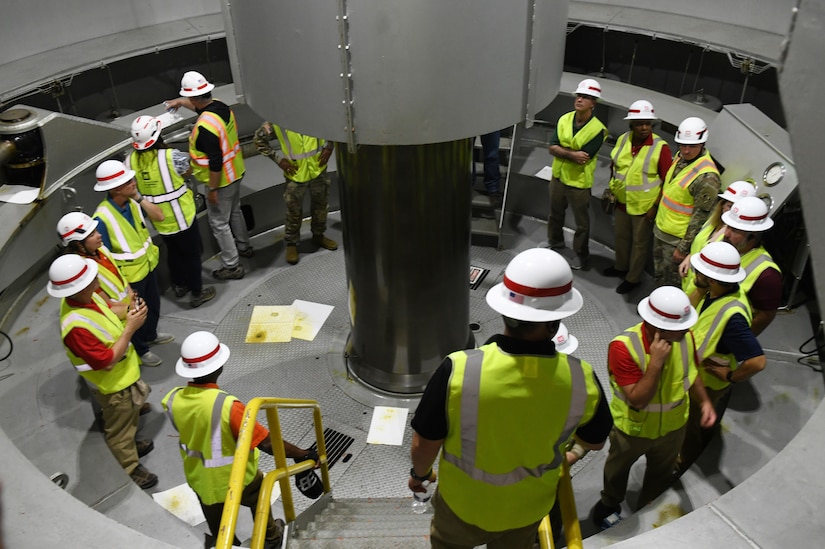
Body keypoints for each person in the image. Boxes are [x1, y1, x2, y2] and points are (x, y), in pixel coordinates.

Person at [409, 248, 612, 548]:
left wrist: (420, 475)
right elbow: (594, 441)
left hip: (462, 507)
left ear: (506, 311)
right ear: (556, 323)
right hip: (527, 511)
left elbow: (424, 443)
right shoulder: (582, 380)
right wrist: (566, 450)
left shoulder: (457, 369)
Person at [162, 331, 319, 548]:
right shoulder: (227, 405)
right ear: (218, 367)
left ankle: (227, 543)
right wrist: (304, 454)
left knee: (218, 523)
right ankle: (271, 539)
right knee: (261, 493)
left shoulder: (171, 399)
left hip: (199, 479)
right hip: (235, 478)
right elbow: (266, 443)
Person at [592, 286, 716, 528]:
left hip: (674, 426)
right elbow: (638, 399)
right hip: (634, 429)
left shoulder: (685, 338)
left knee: (661, 474)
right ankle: (608, 504)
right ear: (659, 328)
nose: (686, 331)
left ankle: (647, 508)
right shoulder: (623, 348)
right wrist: (656, 362)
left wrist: (706, 402)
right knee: (617, 470)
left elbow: (692, 374)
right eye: (679, 328)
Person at [47, 254, 158, 489]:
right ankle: (129, 465)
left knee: (128, 416)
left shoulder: (84, 299)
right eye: (90, 277)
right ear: (79, 288)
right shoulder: (76, 327)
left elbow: (109, 309)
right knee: (119, 427)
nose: (96, 276)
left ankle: (130, 441)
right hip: (113, 384)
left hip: (123, 375)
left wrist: (130, 309)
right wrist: (130, 328)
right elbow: (105, 362)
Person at [677, 242, 766, 473]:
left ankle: (684, 461)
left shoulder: (733, 317)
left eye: (700, 272)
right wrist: (699, 288)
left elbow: (758, 362)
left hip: (706, 383)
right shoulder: (714, 293)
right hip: (697, 376)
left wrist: (730, 375)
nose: (694, 274)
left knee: (691, 427)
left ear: (714, 279)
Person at [165, 71, 252, 280]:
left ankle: (232, 266)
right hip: (236, 171)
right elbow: (197, 105)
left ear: (194, 98)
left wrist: (212, 190)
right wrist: (179, 102)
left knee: (219, 223)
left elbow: (215, 161)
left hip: (220, 182)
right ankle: (244, 246)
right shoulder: (220, 106)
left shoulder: (205, 128)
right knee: (234, 212)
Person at [127, 115, 216, 308]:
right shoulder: (171, 156)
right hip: (181, 217)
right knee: (192, 255)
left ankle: (179, 284)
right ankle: (197, 292)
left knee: (174, 252)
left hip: (158, 220)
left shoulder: (131, 160)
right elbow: (188, 171)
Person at [93, 160, 174, 368]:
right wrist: (125, 288)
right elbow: (105, 258)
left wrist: (139, 198)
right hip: (130, 278)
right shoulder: (102, 218)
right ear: (116, 189)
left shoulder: (133, 203)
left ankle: (151, 334)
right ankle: (141, 349)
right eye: (128, 181)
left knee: (153, 306)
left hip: (147, 266)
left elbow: (159, 215)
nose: (133, 182)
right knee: (135, 315)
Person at [604, 100, 673, 294]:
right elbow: (615, 166)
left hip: (644, 208)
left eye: (647, 123)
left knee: (639, 244)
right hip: (621, 202)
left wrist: (655, 207)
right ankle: (620, 267)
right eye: (640, 123)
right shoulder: (623, 139)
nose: (644, 128)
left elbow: (667, 181)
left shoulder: (661, 147)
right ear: (631, 124)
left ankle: (633, 278)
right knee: (621, 237)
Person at [253, 121, 338, 265]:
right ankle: (292, 243)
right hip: (295, 173)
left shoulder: (315, 114)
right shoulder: (278, 121)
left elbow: (334, 126)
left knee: (321, 205)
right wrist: (279, 160)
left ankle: (318, 235)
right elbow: (258, 139)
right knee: (294, 211)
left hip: (317, 169)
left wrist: (329, 146)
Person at [547, 78, 608, 271]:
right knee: (555, 214)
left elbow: (584, 157)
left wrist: (562, 149)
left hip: (579, 183)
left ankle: (581, 256)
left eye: (586, 97)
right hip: (558, 177)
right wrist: (571, 153)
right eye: (579, 95)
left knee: (582, 223)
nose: (579, 99)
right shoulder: (564, 119)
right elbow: (551, 147)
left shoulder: (598, 129)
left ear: (593, 103)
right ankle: (555, 243)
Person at [653, 116, 721, 287]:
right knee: (660, 273)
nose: (686, 150)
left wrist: (683, 249)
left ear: (702, 144)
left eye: (692, 146)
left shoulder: (707, 177)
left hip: (676, 239)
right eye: (683, 145)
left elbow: (700, 219)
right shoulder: (680, 159)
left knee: (671, 283)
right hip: (662, 229)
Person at [679, 180, 757, 299]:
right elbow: (701, 244)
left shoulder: (731, 238)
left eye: (735, 208)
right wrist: (689, 256)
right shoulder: (713, 222)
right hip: (690, 280)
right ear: (722, 204)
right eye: (729, 206)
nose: (731, 212)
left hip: (701, 291)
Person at [721, 196, 782, 336]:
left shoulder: (767, 275)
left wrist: (735, 343)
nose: (726, 233)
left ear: (753, 235)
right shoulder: (725, 244)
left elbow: (765, 316)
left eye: (735, 230)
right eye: (728, 226)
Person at [480, 130, 503, 208]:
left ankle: (493, 188)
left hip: (490, 119)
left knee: (492, 154)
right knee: (467, 153)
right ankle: (468, 184)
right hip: (468, 119)